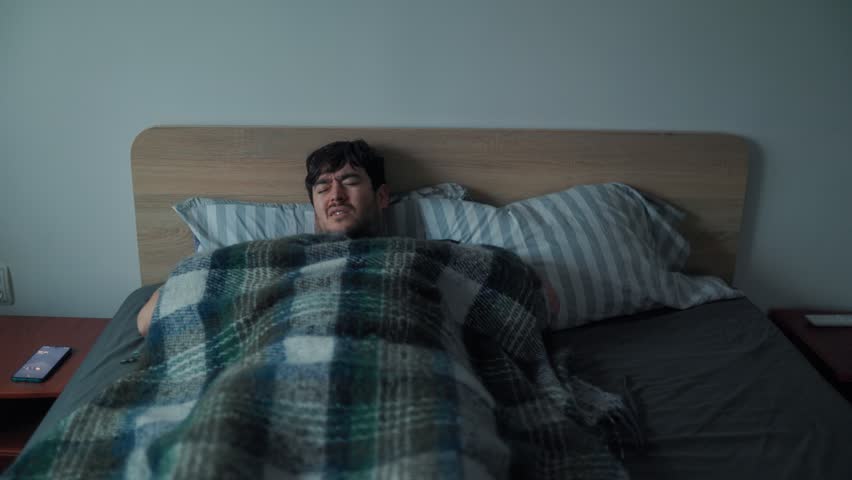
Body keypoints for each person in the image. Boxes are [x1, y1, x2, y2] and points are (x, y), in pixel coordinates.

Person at [136, 139, 391, 336]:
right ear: (314, 214)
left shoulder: (418, 256)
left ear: (382, 197)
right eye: (323, 188)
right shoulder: (277, 257)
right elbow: (148, 321)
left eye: (349, 181)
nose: (336, 194)